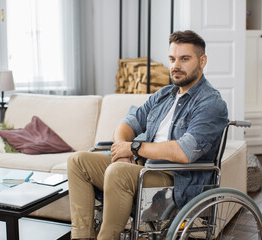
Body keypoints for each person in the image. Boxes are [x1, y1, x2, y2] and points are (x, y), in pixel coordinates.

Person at [67, 30, 229, 240]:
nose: (176, 66)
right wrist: (123, 150)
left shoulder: (211, 103)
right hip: (144, 168)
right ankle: (81, 236)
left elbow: (184, 152)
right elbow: (127, 125)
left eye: (184, 59)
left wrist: (134, 148)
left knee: (118, 172)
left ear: (202, 60)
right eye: (172, 59)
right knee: (77, 161)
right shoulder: (164, 95)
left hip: (177, 179)